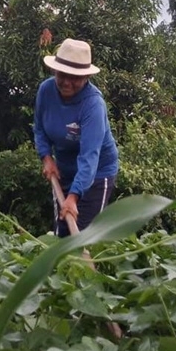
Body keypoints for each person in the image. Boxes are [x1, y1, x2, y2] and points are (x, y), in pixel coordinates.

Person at [33, 38, 119, 236]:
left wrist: (73, 197)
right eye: (63, 75)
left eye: (75, 77)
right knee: (62, 232)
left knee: (82, 235)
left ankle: (85, 266)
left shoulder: (93, 106)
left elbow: (89, 157)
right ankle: (62, 266)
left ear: (86, 76)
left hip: (97, 173)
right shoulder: (46, 91)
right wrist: (46, 158)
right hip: (64, 170)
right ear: (55, 71)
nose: (67, 82)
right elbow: (39, 129)